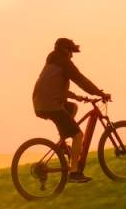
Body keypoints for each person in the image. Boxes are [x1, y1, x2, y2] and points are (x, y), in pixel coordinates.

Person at [33, 38, 110, 183]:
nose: (72, 56)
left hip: (43, 102)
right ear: (65, 51)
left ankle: (63, 143)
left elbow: (54, 88)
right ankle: (74, 173)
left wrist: (78, 97)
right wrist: (99, 93)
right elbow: (81, 80)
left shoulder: (52, 62)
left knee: (72, 108)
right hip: (51, 105)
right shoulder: (64, 63)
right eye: (71, 52)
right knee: (78, 135)